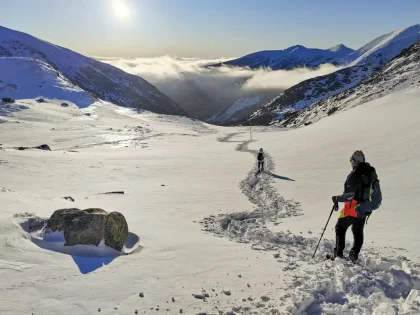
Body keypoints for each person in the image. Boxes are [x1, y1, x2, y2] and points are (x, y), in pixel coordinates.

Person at [331, 150, 378, 262]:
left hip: (352, 209)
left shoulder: (354, 175)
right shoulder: (370, 172)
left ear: (356, 161)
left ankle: (338, 256)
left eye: (352, 161)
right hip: (365, 208)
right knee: (358, 230)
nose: (351, 163)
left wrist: (337, 198)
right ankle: (354, 256)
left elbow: (348, 196)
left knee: (340, 228)